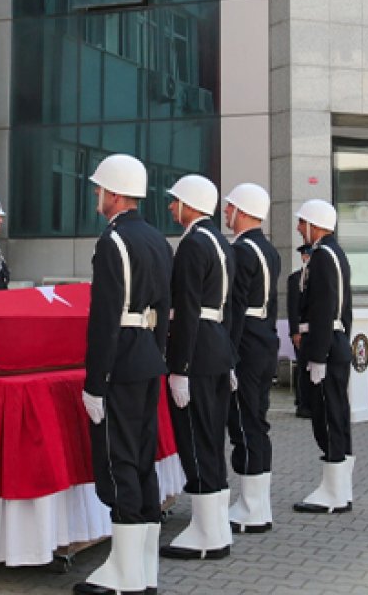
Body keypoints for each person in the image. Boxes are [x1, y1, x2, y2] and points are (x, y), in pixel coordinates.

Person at [75, 154, 172, 595]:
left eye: (100, 189)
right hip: (149, 356)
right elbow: (165, 311)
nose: (97, 195)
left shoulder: (112, 242)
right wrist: (161, 355)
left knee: (120, 461)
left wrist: (95, 382)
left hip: (122, 363)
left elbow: (104, 319)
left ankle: (124, 574)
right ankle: (142, 568)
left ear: (114, 194)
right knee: (142, 458)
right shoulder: (156, 239)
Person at [159, 174, 236, 561]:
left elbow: (186, 310)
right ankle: (216, 527)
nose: (171, 206)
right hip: (218, 347)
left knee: (194, 438)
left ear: (190, 205)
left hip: (197, 351)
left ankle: (207, 532)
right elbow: (230, 307)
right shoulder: (222, 242)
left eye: (175, 201)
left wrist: (179, 367)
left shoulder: (192, 244)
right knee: (210, 438)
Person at [221, 183, 281, 535]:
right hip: (264, 341)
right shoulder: (268, 249)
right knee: (256, 421)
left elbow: (236, 308)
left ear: (243, 211)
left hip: (246, 344)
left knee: (244, 423)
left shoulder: (242, 250)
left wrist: (228, 354)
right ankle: (256, 504)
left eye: (230, 208)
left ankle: (251, 508)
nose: (227, 214)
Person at [290, 199, 356, 516]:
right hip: (335, 342)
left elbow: (324, 308)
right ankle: (339, 488)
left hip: (326, 346)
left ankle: (333, 491)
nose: (300, 228)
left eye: (303, 222)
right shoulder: (335, 253)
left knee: (328, 417)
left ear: (316, 225)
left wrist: (317, 355)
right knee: (337, 415)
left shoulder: (322, 257)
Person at [287, 244, 313, 419]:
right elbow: (292, 307)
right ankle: (303, 404)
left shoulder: (318, 277)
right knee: (303, 368)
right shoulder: (295, 278)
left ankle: (312, 403)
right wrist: (294, 331)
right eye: (307, 255)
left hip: (316, 330)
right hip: (302, 330)